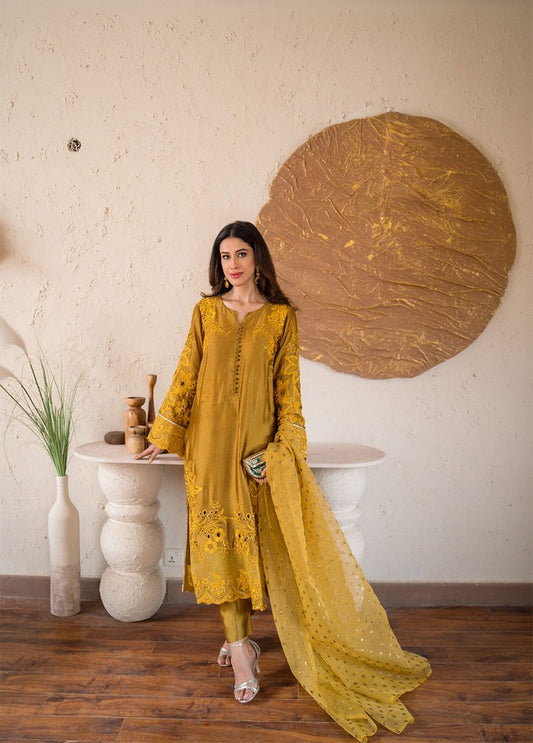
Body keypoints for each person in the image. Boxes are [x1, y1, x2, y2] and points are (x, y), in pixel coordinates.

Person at [136, 221, 431, 741]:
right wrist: (164, 432)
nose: (232, 264)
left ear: (257, 258)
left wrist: (280, 452)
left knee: (264, 552)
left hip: (257, 454)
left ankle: (244, 637)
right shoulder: (206, 313)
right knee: (221, 549)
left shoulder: (280, 318)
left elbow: (289, 393)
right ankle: (241, 651)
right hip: (207, 451)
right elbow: (186, 374)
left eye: (241, 254)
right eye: (224, 256)